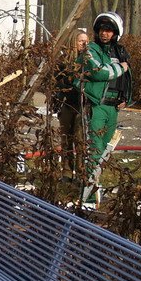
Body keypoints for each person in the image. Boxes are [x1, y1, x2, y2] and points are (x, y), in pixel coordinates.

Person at [74, 11, 132, 203]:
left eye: (108, 30)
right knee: (95, 149)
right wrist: (121, 68)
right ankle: (88, 197)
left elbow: (127, 78)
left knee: (104, 151)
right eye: (101, 30)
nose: (104, 33)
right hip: (96, 106)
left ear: (115, 32)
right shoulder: (91, 49)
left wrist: (126, 97)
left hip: (113, 107)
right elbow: (100, 72)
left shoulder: (120, 52)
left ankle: (91, 187)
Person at [51, 28, 89, 182]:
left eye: (86, 41)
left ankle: (81, 174)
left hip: (83, 106)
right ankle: (67, 172)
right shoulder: (64, 62)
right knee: (66, 139)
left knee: (81, 140)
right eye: (81, 41)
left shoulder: (88, 61)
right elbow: (56, 82)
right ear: (74, 42)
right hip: (67, 104)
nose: (84, 44)